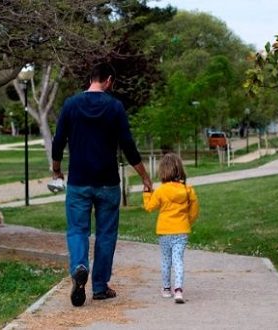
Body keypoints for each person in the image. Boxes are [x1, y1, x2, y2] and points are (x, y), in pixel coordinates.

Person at [52, 63, 153, 307]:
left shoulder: (71, 104)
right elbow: (128, 145)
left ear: (91, 79)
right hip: (108, 183)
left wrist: (56, 169)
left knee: (77, 230)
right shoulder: (115, 107)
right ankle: (99, 287)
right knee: (106, 235)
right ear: (108, 80)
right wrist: (144, 177)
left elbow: (58, 141)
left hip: (78, 182)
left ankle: (79, 266)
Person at [142, 153, 199, 304]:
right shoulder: (188, 190)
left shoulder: (161, 190)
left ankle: (166, 289)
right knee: (178, 259)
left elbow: (149, 207)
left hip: (164, 231)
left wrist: (147, 193)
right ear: (180, 169)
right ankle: (178, 290)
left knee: (166, 260)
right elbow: (194, 211)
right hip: (181, 231)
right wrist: (187, 221)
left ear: (163, 171)